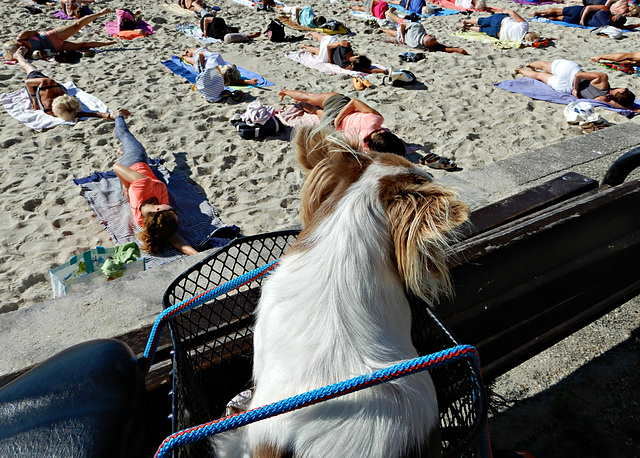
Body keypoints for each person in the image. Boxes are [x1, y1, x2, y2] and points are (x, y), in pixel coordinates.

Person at [112, 113, 198, 255]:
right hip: (146, 175)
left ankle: (117, 116)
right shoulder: (150, 222)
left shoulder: (143, 185)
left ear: (158, 209)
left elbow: (115, 167)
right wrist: (197, 254)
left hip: (135, 162)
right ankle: (123, 151)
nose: (174, 210)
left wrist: (126, 186)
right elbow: (176, 240)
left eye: (173, 211)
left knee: (126, 136)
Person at [278, 89, 406, 155]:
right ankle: (311, 108)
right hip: (333, 121)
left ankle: (285, 92)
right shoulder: (363, 146)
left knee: (309, 97)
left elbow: (354, 102)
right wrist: (339, 117)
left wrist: (341, 115)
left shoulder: (377, 118)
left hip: (340, 104)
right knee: (314, 108)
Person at [13, 46, 118, 121]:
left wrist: (109, 115)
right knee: (29, 67)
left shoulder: (67, 107)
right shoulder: (47, 83)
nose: (55, 115)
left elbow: (92, 113)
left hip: (52, 94)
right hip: (37, 84)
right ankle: (18, 56)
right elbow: (27, 82)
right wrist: (34, 100)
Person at [514, 59, 639, 112]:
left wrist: (575, 88)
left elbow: (578, 76)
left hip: (571, 77)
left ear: (622, 90)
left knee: (546, 65)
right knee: (540, 76)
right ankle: (520, 71)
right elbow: (622, 107)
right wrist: (635, 109)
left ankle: (530, 64)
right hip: (564, 87)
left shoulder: (602, 79)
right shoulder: (604, 99)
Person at [4, 8, 117, 59]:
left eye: (19, 47)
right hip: (56, 48)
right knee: (82, 45)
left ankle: (99, 13)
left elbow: (35, 32)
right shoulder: (21, 53)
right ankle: (106, 44)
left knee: (76, 25)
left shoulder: (22, 37)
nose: (21, 49)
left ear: (16, 43)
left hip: (51, 36)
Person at [379, 8, 468, 54]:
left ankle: (389, 13)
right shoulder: (418, 45)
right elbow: (443, 48)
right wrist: (457, 50)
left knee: (400, 21)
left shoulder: (418, 26)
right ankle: (383, 30)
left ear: (427, 35)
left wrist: (402, 36)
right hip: (403, 37)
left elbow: (402, 25)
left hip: (403, 32)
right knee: (395, 33)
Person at [303, 31, 387, 72]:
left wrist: (330, 60)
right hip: (329, 52)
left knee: (319, 45)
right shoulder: (347, 63)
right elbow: (370, 70)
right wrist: (385, 70)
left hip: (328, 53)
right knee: (319, 44)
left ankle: (308, 41)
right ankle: (308, 39)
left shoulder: (346, 49)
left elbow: (328, 46)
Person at [181, 48, 258, 85]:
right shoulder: (220, 77)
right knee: (192, 60)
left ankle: (186, 55)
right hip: (199, 68)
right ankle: (185, 57)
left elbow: (201, 53)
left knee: (196, 52)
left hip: (199, 64)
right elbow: (235, 81)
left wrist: (202, 67)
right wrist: (249, 81)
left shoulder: (217, 57)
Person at [462, 8, 540, 42]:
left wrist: (506, 11)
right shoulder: (519, 41)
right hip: (498, 33)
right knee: (482, 30)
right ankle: (468, 27)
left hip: (500, 21)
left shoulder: (525, 26)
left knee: (483, 21)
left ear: (530, 33)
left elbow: (513, 12)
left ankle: (466, 21)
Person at [530, 3, 627, 27]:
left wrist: (583, 19)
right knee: (558, 17)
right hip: (576, 21)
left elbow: (588, 7)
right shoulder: (610, 25)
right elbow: (628, 27)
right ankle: (541, 16)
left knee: (557, 11)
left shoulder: (605, 9)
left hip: (579, 12)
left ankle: (539, 13)